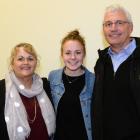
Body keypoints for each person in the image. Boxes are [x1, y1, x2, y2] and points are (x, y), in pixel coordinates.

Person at [92, 4, 140, 140]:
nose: (113, 28)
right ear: (103, 30)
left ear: (130, 27)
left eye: (119, 23)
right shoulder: (101, 63)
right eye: (108, 24)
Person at [0, 43, 55, 140]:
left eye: (30, 58)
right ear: (12, 63)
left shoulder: (45, 85)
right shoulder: (2, 89)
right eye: (20, 59)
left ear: (36, 63)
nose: (26, 62)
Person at [48, 30, 95, 140]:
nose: (73, 57)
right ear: (62, 55)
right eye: (68, 53)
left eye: (78, 52)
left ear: (84, 54)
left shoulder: (94, 80)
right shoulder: (52, 77)